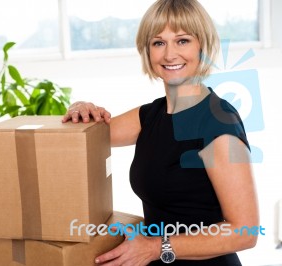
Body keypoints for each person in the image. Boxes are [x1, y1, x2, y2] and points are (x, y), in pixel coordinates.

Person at [62, 0, 259, 265]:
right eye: (158, 43)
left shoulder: (217, 124)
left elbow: (244, 232)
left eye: (182, 41)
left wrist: (156, 247)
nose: (169, 55)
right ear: (147, 51)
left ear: (203, 45)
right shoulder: (150, 116)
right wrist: (79, 107)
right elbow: (82, 138)